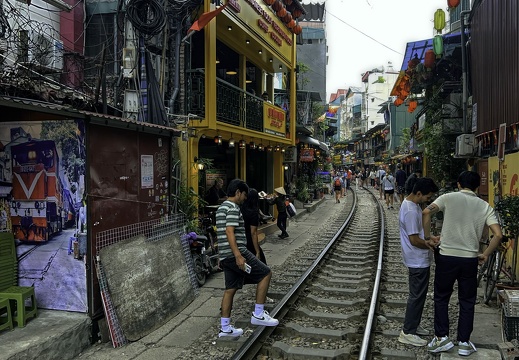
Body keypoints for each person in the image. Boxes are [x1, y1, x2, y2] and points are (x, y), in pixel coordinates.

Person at [422, 171, 503, 355]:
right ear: (477, 187)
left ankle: (442, 338)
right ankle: (464, 343)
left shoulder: (447, 198)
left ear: (458, 184)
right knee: (467, 300)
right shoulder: (484, 206)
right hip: (469, 259)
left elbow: (426, 212)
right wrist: (486, 254)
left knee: (441, 297)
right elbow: (498, 235)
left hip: (447, 256)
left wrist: (427, 237)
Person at [216, 179, 278, 338]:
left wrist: (221, 255)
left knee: (230, 289)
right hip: (237, 252)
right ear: (238, 192)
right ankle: (258, 313)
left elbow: (222, 233)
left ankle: (225, 328)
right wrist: (238, 255)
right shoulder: (233, 208)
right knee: (265, 273)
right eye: (243, 195)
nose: (245, 198)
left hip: (225, 255)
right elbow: (230, 231)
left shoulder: (221, 208)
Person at [397, 177, 439, 347]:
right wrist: (429, 244)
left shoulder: (412, 206)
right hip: (417, 260)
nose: (428, 200)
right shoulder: (411, 210)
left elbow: (418, 235)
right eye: (427, 197)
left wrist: (430, 238)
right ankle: (408, 332)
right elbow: (414, 240)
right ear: (419, 193)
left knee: (419, 296)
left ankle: (413, 326)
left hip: (417, 259)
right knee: (416, 296)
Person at [241, 188, 266, 264]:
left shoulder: (240, 209)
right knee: (263, 268)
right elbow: (253, 233)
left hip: (240, 239)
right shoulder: (253, 213)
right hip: (249, 241)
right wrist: (257, 251)